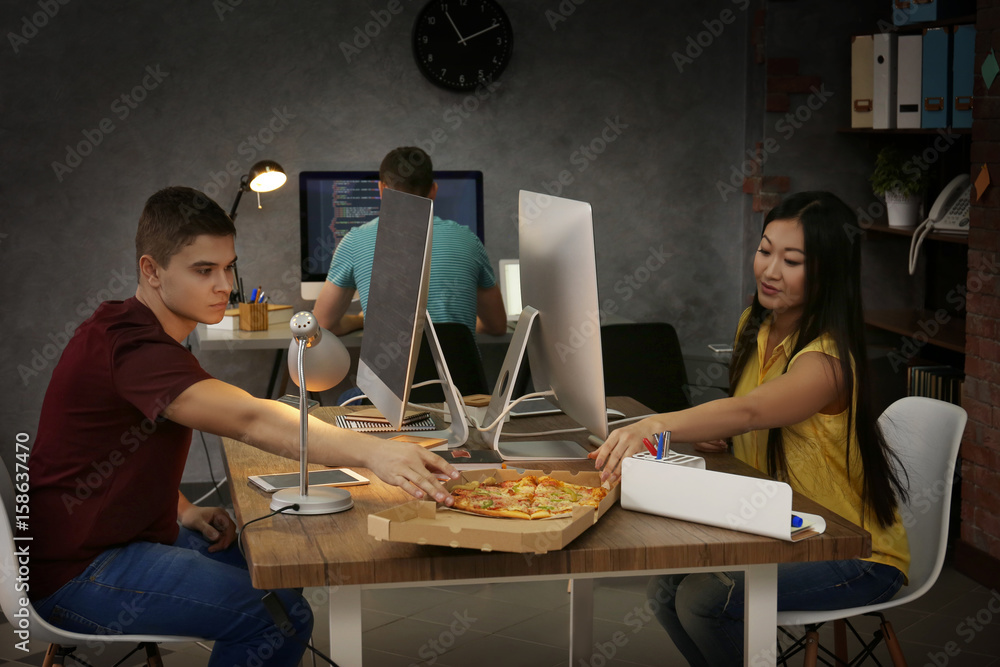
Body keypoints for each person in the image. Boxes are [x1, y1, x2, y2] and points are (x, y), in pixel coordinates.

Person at [28, 186, 460, 667]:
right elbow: (250, 418)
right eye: (203, 270)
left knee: (276, 568)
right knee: (281, 619)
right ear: (151, 271)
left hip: (119, 541)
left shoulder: (133, 332)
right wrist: (375, 452)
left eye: (228, 267)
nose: (224, 285)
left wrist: (184, 509)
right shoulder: (133, 348)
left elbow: (101, 453)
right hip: (78, 572)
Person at [591, 191, 910, 666]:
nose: (770, 270)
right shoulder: (755, 326)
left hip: (854, 553)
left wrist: (655, 426)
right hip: (781, 528)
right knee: (664, 591)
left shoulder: (828, 360)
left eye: (793, 260)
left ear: (829, 271)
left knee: (705, 601)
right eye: (765, 251)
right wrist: (714, 434)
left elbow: (753, 410)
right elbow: (747, 417)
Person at [314, 146, 507, 336]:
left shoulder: (354, 241)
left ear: (382, 189)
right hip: (459, 368)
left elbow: (323, 325)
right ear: (433, 190)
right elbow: (497, 326)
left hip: (385, 366)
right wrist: (463, 328)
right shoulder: (469, 241)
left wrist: (362, 320)